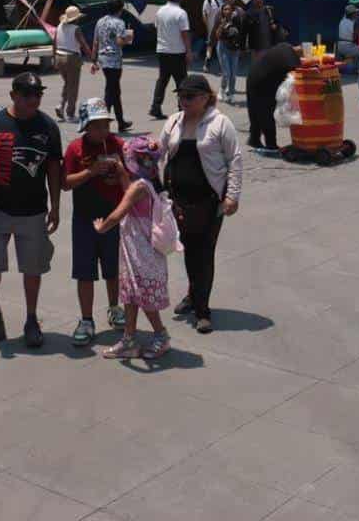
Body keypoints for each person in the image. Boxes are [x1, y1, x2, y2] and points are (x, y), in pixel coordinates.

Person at [0, 72, 63, 348]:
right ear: (13, 96)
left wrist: (55, 206)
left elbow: (54, 168)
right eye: (27, 95)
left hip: (33, 212)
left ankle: (31, 318)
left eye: (38, 95)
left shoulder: (48, 127)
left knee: (32, 268)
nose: (34, 100)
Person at [161, 74, 242, 334]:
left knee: (204, 253)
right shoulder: (174, 121)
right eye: (181, 96)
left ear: (206, 97)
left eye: (189, 97)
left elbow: (235, 160)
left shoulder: (220, 123)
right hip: (179, 201)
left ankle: (202, 310)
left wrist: (232, 196)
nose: (183, 101)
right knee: (189, 250)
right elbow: (159, 150)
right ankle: (193, 293)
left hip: (209, 200)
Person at [93, 141, 171, 360]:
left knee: (142, 296)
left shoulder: (139, 187)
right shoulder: (147, 182)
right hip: (140, 250)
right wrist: (121, 175)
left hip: (140, 251)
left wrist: (102, 227)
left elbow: (119, 212)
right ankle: (129, 339)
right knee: (130, 294)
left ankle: (161, 336)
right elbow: (130, 195)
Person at [63, 98, 127, 348]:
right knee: (85, 272)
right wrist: (92, 172)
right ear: (85, 126)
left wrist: (118, 171)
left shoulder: (118, 145)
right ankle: (87, 319)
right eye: (96, 125)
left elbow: (131, 176)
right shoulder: (75, 149)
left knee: (112, 268)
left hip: (112, 217)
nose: (103, 130)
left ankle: (114, 307)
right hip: (84, 219)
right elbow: (65, 183)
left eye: (105, 125)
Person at [245, 40, 301, 151]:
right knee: (266, 111)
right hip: (263, 81)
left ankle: (254, 138)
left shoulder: (285, 45)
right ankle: (271, 144)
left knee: (255, 109)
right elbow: (299, 71)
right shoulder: (292, 59)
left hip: (253, 75)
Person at [92, 0, 133, 132]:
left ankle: (121, 121)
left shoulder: (100, 21)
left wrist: (94, 59)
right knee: (111, 91)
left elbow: (95, 41)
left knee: (114, 90)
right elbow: (120, 42)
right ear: (119, 9)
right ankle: (103, 122)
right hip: (114, 59)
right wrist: (128, 38)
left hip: (103, 58)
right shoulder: (119, 22)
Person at [149, 0, 191, 119]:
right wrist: (188, 51)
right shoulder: (181, 13)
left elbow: (156, 27)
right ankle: (182, 108)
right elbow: (184, 33)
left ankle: (155, 106)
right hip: (177, 51)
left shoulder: (160, 11)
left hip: (162, 50)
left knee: (162, 79)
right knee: (182, 81)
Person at [53, 4, 93, 122]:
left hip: (59, 56)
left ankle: (61, 105)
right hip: (71, 58)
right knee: (73, 87)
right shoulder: (76, 29)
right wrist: (92, 58)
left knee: (67, 83)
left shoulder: (59, 26)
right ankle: (70, 114)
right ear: (76, 18)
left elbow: (54, 42)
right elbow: (83, 44)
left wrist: (54, 57)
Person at [213, 0, 247, 102]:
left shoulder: (239, 13)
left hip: (235, 48)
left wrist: (243, 47)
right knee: (226, 73)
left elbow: (242, 31)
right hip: (223, 47)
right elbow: (217, 34)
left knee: (233, 74)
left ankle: (231, 93)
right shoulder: (219, 15)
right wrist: (223, 24)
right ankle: (222, 90)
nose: (230, 0)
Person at [201, 0, 224, 71]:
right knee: (210, 46)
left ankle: (222, 66)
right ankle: (206, 64)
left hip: (222, 27)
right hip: (212, 27)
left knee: (222, 45)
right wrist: (207, 27)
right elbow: (204, 14)